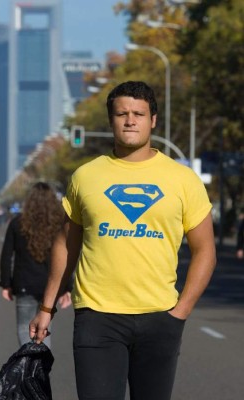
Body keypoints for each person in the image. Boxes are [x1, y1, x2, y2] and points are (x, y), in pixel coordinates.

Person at [30, 81, 217, 400]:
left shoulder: (183, 179)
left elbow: (205, 252)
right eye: (122, 113)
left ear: (153, 120)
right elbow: (66, 244)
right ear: (111, 120)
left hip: (160, 317)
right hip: (96, 317)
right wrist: (47, 306)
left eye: (138, 114)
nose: (130, 120)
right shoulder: (86, 176)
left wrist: (180, 313)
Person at [0, 181, 71, 347]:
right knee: (45, 329)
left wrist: (6, 283)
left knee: (24, 329)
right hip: (50, 285)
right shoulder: (59, 224)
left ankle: (28, 367)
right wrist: (66, 287)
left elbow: (7, 255)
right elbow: (67, 256)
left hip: (24, 284)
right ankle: (42, 370)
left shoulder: (18, 223)